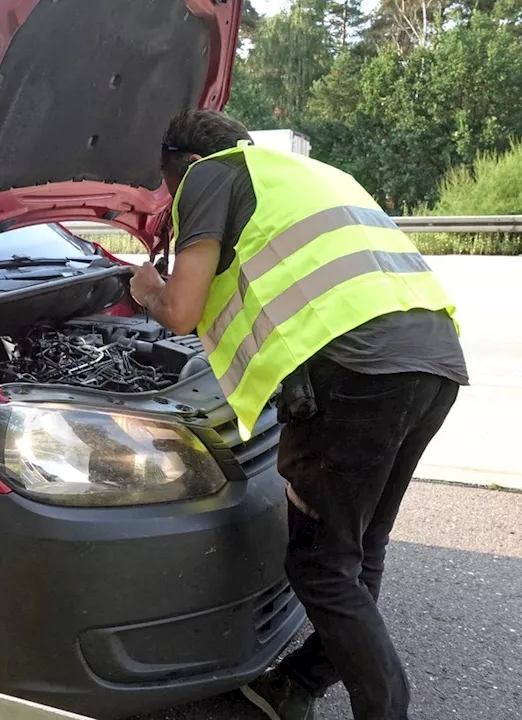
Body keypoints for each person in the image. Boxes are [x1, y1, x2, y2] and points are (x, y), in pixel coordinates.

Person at [129, 109, 469, 720]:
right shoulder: (306, 174)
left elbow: (180, 312)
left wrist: (145, 288)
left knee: (321, 563)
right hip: (434, 359)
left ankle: (381, 706)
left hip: (360, 371)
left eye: (166, 184)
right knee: (360, 545)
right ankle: (295, 686)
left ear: (180, 165)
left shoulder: (209, 176)